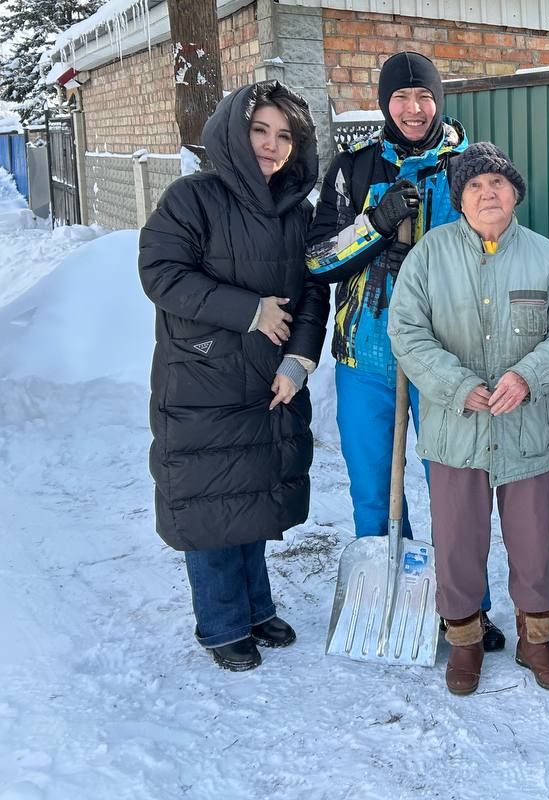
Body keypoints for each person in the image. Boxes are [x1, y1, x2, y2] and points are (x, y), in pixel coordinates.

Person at [306, 51, 504, 650]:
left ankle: (466, 609)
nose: (413, 110)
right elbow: (317, 260)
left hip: (445, 358)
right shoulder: (354, 169)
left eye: (424, 97)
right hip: (364, 357)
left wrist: (425, 262)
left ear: (439, 100)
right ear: (384, 102)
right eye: (400, 98)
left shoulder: (469, 166)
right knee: (372, 487)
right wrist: (373, 228)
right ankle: (389, 599)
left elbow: (496, 248)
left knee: (454, 488)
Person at [139, 81, 330, 671]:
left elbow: (313, 291)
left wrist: (299, 360)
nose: (272, 145)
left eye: (284, 135)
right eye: (260, 131)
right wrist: (249, 310)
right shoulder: (193, 199)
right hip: (204, 379)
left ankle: (254, 608)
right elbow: (161, 273)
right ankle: (221, 623)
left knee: (250, 497)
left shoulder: (297, 213)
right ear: (233, 132)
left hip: (270, 379)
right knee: (210, 502)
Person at [388, 142, 549, 695]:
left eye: (497, 183)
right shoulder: (428, 255)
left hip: (527, 428)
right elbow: (406, 331)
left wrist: (528, 376)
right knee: (457, 540)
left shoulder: (546, 257)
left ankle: (536, 639)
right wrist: (455, 384)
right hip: (457, 431)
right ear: (460, 200)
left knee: (533, 541)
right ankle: (465, 640)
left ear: (515, 193)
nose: (487, 193)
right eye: (474, 186)